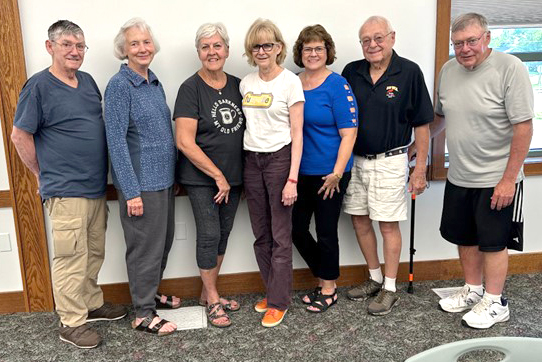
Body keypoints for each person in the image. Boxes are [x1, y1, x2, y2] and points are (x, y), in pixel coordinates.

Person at [11, 20, 126, 349]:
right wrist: (39, 174)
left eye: (80, 46)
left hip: (94, 187)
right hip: (65, 189)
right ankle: (71, 322)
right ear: (50, 47)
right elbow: (20, 135)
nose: (75, 51)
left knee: (93, 252)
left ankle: (90, 303)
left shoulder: (88, 82)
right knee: (70, 257)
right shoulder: (38, 87)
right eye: (67, 45)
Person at [433, 13, 533, 329]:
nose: (465, 49)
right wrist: (416, 150)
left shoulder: (509, 68)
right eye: (458, 43)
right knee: (464, 236)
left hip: (496, 178)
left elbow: (524, 128)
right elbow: (441, 118)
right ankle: (474, 290)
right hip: (460, 174)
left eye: (471, 41)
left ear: (487, 38)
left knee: (493, 241)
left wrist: (508, 180)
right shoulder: (448, 71)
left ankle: (495, 301)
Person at [341, 15, 433, 315]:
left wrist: (420, 170)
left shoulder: (409, 72)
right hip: (355, 161)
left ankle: (390, 287)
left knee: (388, 225)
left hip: (391, 161)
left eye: (378, 38)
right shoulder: (351, 72)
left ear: (392, 38)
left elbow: (422, 125)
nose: (372, 45)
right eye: (366, 40)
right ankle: (374, 277)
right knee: (359, 219)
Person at [104, 18, 178, 336]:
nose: (142, 48)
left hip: (163, 180)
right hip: (140, 184)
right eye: (134, 43)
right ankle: (143, 313)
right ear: (124, 50)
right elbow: (116, 141)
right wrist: (131, 191)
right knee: (144, 248)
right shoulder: (120, 86)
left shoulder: (154, 82)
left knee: (162, 245)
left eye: (146, 42)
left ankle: (148, 294)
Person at [174, 22, 244, 328]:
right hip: (202, 177)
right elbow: (184, 141)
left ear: (227, 50)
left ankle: (207, 293)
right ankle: (213, 300)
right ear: (198, 52)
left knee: (223, 235)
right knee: (209, 234)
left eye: (217, 46)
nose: (212, 52)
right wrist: (217, 175)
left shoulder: (239, 85)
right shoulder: (190, 88)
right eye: (205, 47)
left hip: (234, 176)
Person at [241, 18, 304, 327]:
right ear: (250, 51)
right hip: (252, 162)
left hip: (280, 162)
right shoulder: (246, 83)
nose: (262, 51)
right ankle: (272, 290)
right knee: (261, 234)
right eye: (257, 45)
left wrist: (292, 178)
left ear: (279, 48)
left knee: (280, 236)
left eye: (268, 45)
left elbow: (298, 133)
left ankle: (279, 301)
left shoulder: (291, 82)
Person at [291, 25, 358, 313]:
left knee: (327, 231)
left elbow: (350, 133)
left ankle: (328, 288)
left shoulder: (337, 85)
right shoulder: (292, 82)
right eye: (308, 49)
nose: (313, 53)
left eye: (319, 48)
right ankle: (326, 274)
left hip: (330, 174)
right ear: (300, 53)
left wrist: (337, 173)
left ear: (327, 52)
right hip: (299, 172)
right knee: (295, 229)